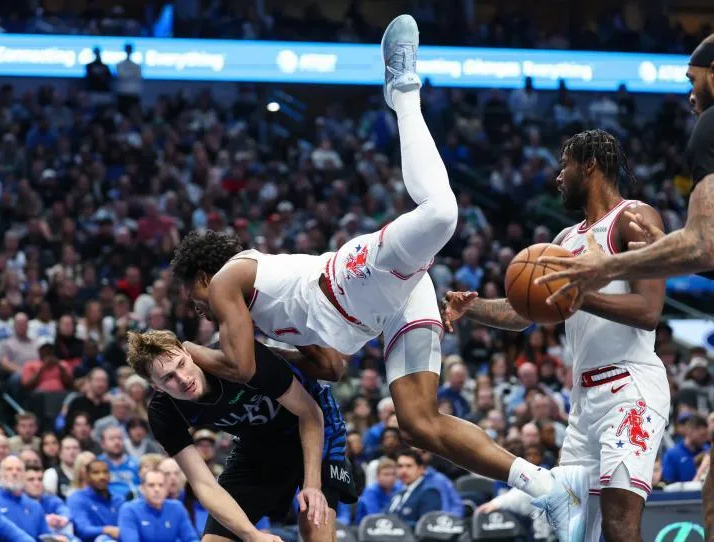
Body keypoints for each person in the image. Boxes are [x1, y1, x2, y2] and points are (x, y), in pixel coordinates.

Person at [169, 13, 586, 541]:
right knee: (417, 423)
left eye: (194, 295)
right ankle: (547, 487)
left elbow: (242, 365)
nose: (198, 308)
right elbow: (331, 366)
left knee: (441, 214)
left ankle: (402, 89)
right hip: (381, 311)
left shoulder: (230, 279)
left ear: (205, 274)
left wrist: (189, 350)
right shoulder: (258, 322)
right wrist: (277, 353)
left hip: (350, 281)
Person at [444, 129, 670, 542]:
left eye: (564, 166)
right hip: (583, 403)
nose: (558, 177)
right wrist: (471, 308)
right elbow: (523, 312)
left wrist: (578, 295)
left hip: (631, 388)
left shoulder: (634, 218)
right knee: (572, 530)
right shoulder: (565, 240)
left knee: (619, 522)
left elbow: (649, 311)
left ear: (590, 164)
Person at [127, 329, 354, 542]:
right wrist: (252, 535)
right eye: (168, 378)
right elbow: (204, 485)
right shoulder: (163, 413)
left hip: (315, 428)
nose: (184, 379)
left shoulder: (237, 356)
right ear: (156, 386)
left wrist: (312, 485)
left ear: (188, 353)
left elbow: (310, 414)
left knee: (315, 526)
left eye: (182, 364)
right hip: (257, 446)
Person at [534, 34, 714, 300]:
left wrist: (606, 266)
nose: (690, 97)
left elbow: (704, 247)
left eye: (692, 81)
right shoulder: (567, 235)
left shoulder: (709, 125)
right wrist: (665, 249)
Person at [117, 469, 199, 542]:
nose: (157, 489)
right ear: (142, 489)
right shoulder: (129, 510)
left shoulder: (177, 507)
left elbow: (191, 539)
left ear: (167, 488)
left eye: (161, 485)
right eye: (151, 485)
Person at [67, 460, 123, 542]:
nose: (102, 476)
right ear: (87, 476)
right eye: (96, 473)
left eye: (105, 472)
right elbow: (83, 530)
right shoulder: (77, 498)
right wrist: (108, 530)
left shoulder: (118, 499)